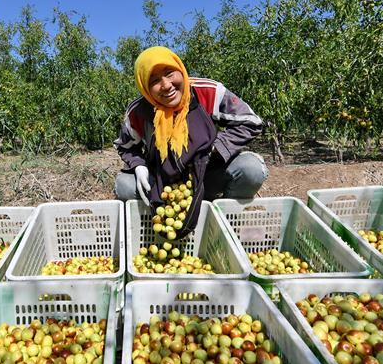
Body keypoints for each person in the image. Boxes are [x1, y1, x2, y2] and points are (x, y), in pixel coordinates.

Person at [113, 46, 268, 231]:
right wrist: (139, 166)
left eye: (169, 73)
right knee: (124, 185)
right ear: (145, 86)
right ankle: (154, 226)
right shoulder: (138, 112)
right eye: (154, 80)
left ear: (180, 68)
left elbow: (251, 122)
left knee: (251, 169)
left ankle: (225, 225)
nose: (166, 85)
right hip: (162, 181)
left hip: (206, 173)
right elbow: (126, 146)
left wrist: (215, 150)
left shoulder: (207, 92)